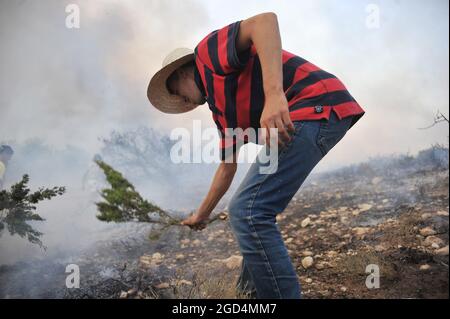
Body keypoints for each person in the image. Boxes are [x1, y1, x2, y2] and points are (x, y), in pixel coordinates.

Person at [147, 12, 366, 299]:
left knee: (247, 212)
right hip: (315, 116)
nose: (182, 102)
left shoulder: (206, 56)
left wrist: (275, 95)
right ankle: (248, 297)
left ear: (183, 73)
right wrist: (202, 214)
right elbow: (227, 168)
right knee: (249, 209)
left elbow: (265, 22)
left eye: (177, 92)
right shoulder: (221, 112)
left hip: (314, 103)